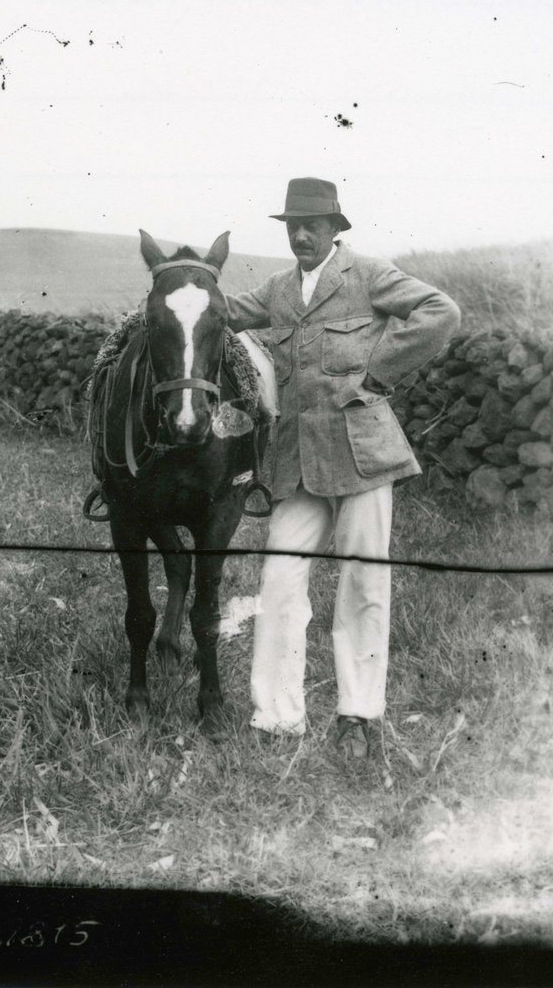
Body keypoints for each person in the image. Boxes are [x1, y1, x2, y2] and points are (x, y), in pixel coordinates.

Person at [225, 177, 461, 758]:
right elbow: (222, 313)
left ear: (335, 229)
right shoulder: (278, 290)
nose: (301, 235)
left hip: (362, 456)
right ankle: (277, 718)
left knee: (363, 583)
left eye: (312, 225)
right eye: (291, 226)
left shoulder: (370, 275)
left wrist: (378, 374)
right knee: (279, 581)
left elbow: (440, 310)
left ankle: (358, 716)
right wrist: (179, 285)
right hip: (296, 466)